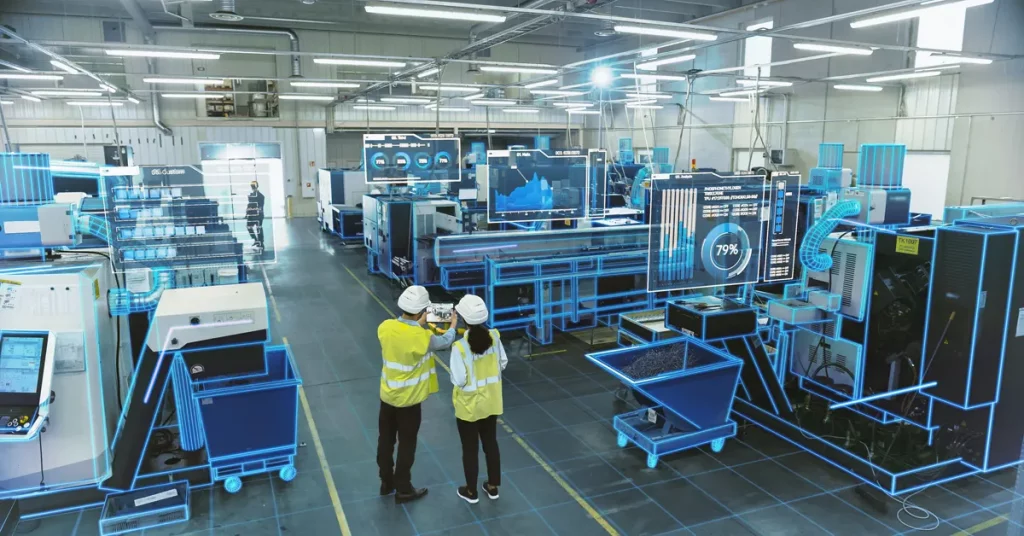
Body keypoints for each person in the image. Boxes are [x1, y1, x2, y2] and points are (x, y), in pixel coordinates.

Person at [377, 286, 458, 504]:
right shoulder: (422, 337)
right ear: (423, 311)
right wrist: (452, 325)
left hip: (387, 397)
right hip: (409, 402)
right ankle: (403, 488)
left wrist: (417, 322)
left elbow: (403, 332)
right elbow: (444, 341)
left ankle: (386, 482)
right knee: (406, 444)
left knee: (385, 440)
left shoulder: (385, 327)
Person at [449, 295, 507, 504]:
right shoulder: (495, 337)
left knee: (470, 448)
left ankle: (471, 491)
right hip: (491, 402)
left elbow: (459, 379)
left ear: (463, 318)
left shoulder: (460, 347)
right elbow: (502, 363)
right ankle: (492, 487)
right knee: (490, 443)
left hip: (469, 407)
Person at [246, 181, 265, 251]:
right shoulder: (261, 196)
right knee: (258, 228)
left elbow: (251, 205)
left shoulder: (254, 196)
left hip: (254, 214)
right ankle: (260, 242)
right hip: (258, 214)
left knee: (251, 227)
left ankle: (257, 241)